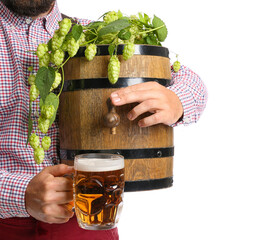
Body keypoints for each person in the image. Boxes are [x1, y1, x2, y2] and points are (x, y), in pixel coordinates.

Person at [0, 0, 208, 239]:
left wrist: (175, 99)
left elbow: (191, 82)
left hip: (90, 221)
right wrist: (19, 193)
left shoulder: (95, 37)